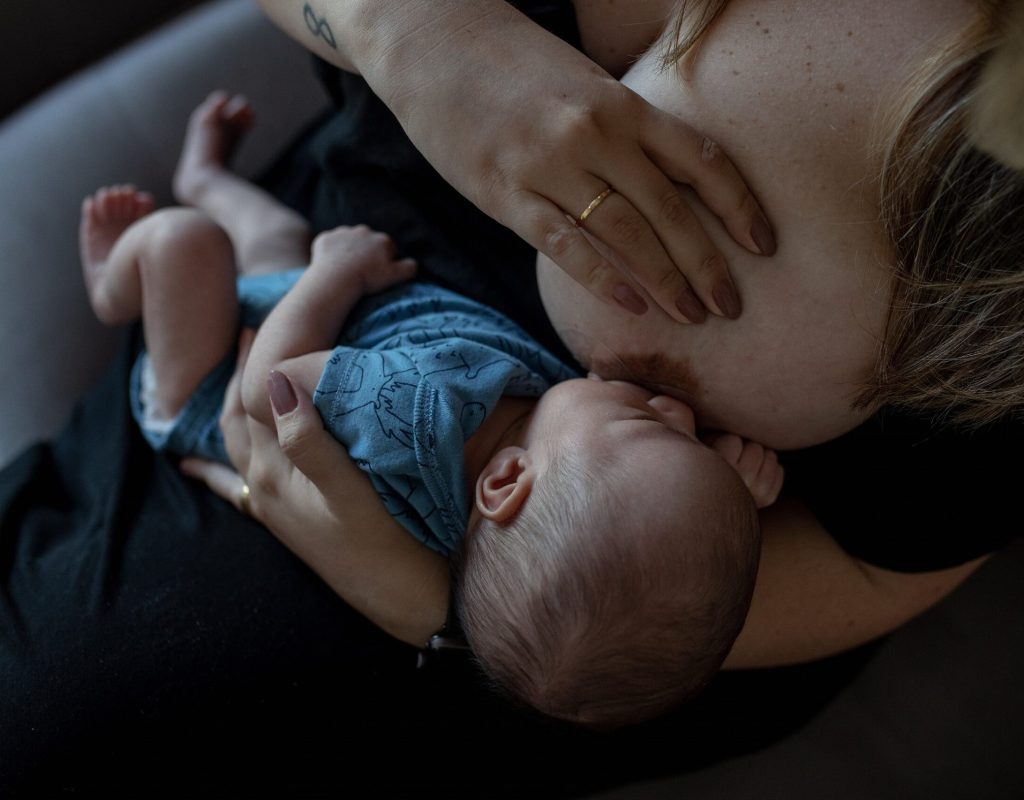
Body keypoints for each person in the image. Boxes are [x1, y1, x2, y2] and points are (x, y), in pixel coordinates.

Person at [2, 0, 1021, 793]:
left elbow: (881, 554)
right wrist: (413, 31)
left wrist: (447, 606)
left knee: (79, 714)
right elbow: (283, 381)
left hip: (622, 603)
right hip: (386, 280)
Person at [79, 91, 775, 728]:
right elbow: (632, 524)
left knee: (185, 243)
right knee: (270, 237)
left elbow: (268, 390)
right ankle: (206, 181)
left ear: (505, 481)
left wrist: (334, 274)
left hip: (210, 382)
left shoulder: (411, 421)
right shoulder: (543, 482)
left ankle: (112, 287)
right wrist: (722, 491)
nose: (676, 413)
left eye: (645, 423)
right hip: (306, 317)